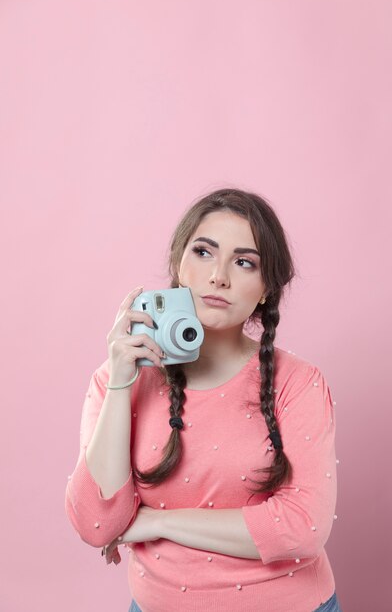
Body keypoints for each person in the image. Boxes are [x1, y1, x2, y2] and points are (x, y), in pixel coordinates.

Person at [65, 188, 342, 612]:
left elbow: (303, 527)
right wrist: (121, 383)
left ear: (267, 288)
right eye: (204, 252)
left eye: (244, 262)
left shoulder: (298, 383)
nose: (219, 277)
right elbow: (98, 523)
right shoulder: (115, 380)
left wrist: (155, 522)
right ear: (178, 264)